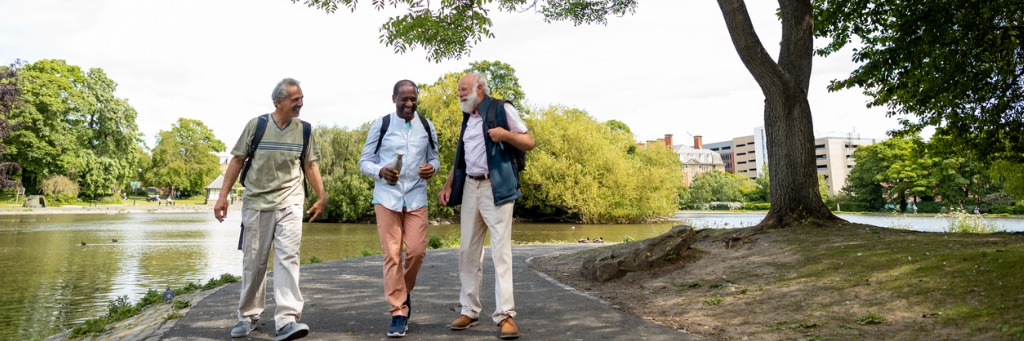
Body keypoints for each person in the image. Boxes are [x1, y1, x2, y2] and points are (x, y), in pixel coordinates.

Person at [213, 78, 326, 341]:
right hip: (257, 203)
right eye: (295, 99)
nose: (300, 104)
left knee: (288, 258)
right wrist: (222, 197)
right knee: (255, 263)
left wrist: (321, 196)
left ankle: (287, 319)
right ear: (279, 101)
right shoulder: (257, 125)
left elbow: (310, 165)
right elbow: (237, 160)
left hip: (291, 202)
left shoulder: (305, 130)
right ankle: (248, 315)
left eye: (301, 99)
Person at [438, 73, 535, 340]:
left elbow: (528, 141)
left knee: (500, 252)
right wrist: (448, 184)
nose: (459, 93)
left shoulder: (502, 108)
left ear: (479, 89)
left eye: (464, 89)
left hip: (497, 187)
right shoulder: (468, 118)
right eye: (458, 89)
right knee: (468, 250)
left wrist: (504, 134)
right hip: (470, 186)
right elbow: (463, 155)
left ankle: (505, 315)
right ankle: (469, 310)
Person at [358, 79, 440, 338]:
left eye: (413, 98)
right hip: (387, 198)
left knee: (416, 252)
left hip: (416, 197)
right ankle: (398, 312)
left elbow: (435, 157)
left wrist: (432, 168)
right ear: (393, 99)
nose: (409, 103)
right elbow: (364, 161)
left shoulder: (427, 126)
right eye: (404, 98)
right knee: (392, 255)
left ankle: (402, 292)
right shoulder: (381, 125)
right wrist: (380, 171)